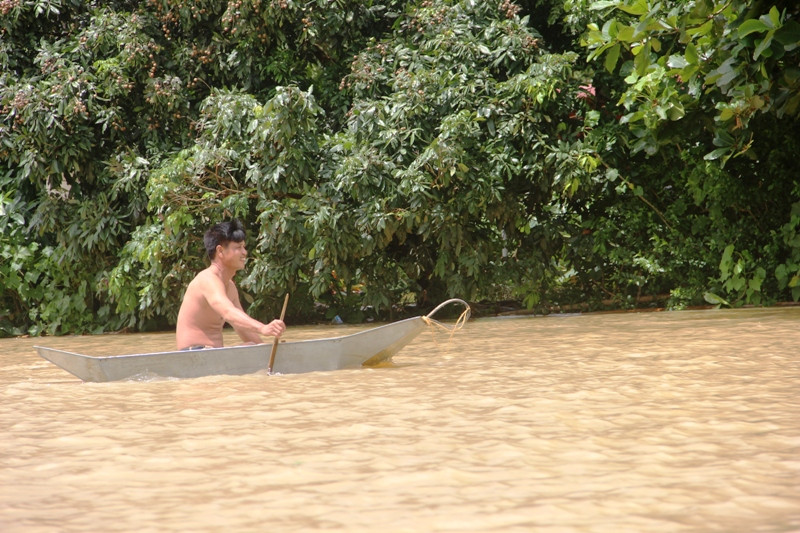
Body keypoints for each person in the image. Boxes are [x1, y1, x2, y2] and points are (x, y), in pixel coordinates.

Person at [175, 220, 285, 350]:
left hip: (213, 355)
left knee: (251, 346)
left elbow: (241, 326)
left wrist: (266, 348)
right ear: (220, 251)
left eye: (244, 247)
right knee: (247, 347)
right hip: (192, 355)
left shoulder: (230, 287)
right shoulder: (207, 279)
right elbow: (228, 312)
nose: (244, 252)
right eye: (238, 248)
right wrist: (263, 328)